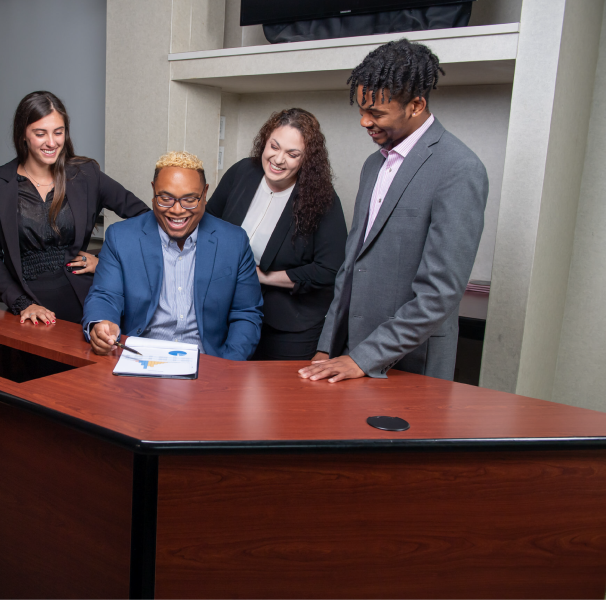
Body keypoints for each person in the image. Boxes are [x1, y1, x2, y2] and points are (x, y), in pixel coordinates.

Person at [299, 39, 488, 383]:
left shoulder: (460, 169)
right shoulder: (374, 165)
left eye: (376, 113)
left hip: (413, 362)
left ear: (416, 105)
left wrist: (363, 358)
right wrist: (328, 345)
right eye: (360, 110)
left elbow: (440, 293)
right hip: (351, 353)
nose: (364, 122)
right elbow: (352, 266)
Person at [0, 91, 150, 325]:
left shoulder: (86, 174)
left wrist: (105, 263)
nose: (52, 142)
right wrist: (22, 303)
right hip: (27, 306)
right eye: (40, 133)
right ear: (23, 135)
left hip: (82, 301)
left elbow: (144, 218)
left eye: (58, 132)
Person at [83, 151, 263, 360]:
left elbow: (246, 313)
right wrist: (101, 323)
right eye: (166, 198)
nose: (177, 210)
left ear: (205, 194)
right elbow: (105, 296)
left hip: (208, 364)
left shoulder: (234, 241)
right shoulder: (120, 237)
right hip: (140, 360)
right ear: (153, 191)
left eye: (189, 199)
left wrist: (228, 365)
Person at [206, 108, 347, 360]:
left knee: (277, 398)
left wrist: (261, 276)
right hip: (228, 312)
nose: (278, 159)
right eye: (274, 146)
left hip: (289, 325)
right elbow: (208, 223)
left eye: (292, 154)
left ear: (307, 159)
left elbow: (329, 270)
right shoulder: (242, 173)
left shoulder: (323, 199)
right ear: (265, 140)